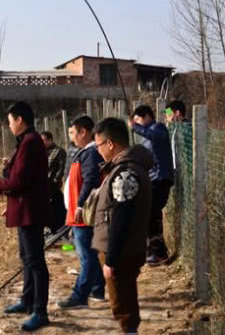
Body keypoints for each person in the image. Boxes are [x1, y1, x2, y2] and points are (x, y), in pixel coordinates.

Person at [0, 101, 50, 331]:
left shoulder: (31, 142)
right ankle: (27, 301)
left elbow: (19, 181)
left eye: (10, 121)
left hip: (30, 212)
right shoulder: (26, 142)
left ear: (20, 120)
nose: (9, 125)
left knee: (36, 261)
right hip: (24, 209)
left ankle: (40, 312)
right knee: (26, 258)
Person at [92, 118, 154, 334]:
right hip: (126, 249)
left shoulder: (126, 172)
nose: (97, 151)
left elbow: (121, 216)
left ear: (110, 144)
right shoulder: (127, 168)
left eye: (98, 145)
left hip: (121, 251)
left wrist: (110, 259)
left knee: (123, 304)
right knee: (126, 298)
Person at [59, 116, 105, 309]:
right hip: (78, 214)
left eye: (73, 132)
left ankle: (80, 295)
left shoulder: (91, 153)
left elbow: (91, 179)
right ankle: (97, 289)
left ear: (83, 132)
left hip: (83, 215)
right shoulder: (85, 152)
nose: (72, 137)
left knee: (86, 256)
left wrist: (79, 205)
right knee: (89, 255)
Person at [129, 105, 174, 266]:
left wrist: (135, 127)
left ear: (147, 116)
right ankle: (157, 252)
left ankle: (158, 253)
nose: (138, 124)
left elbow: (155, 136)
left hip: (160, 179)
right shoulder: (147, 133)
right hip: (152, 179)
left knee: (151, 215)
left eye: (139, 120)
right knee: (151, 216)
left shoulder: (158, 128)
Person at [40, 131, 67, 234]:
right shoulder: (41, 152)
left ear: (50, 140)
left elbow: (61, 169)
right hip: (43, 188)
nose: (42, 143)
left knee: (56, 211)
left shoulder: (59, 152)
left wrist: (54, 182)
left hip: (53, 188)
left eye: (43, 140)